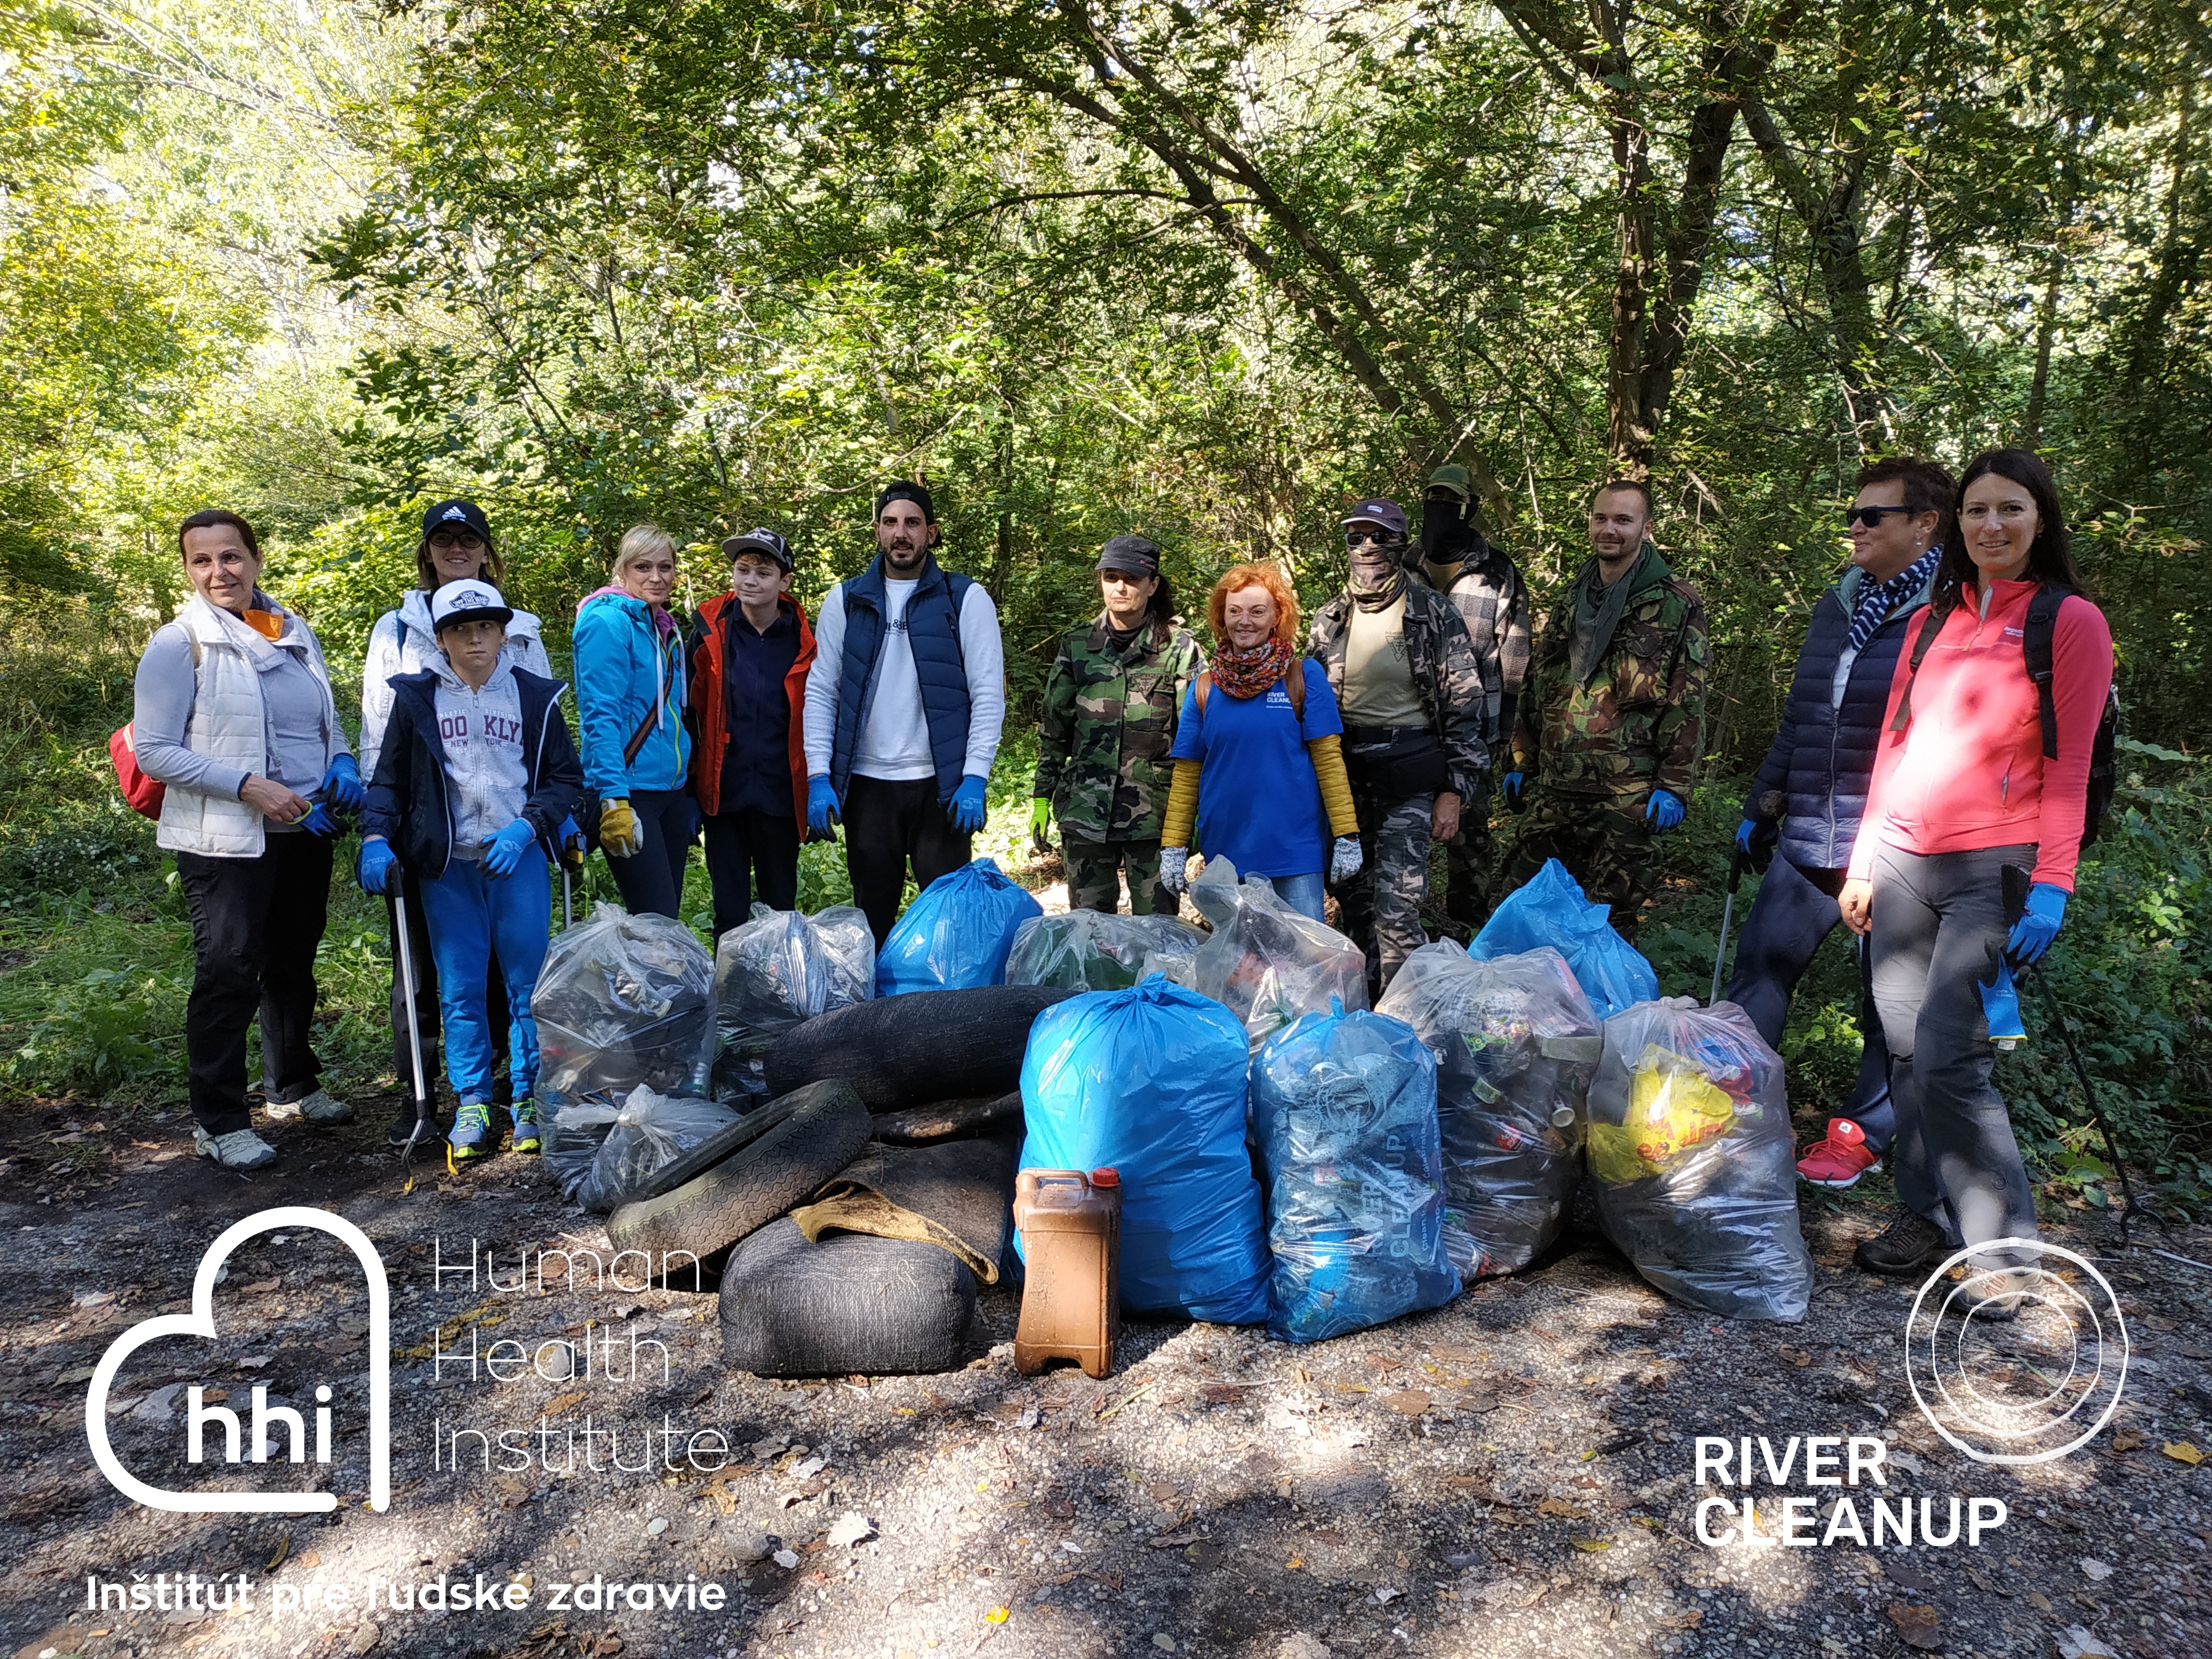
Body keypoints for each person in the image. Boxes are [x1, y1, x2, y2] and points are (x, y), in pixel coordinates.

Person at [1840, 450, 2114, 1286]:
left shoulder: (2069, 622)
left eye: (2011, 510)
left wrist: (2054, 884)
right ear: (1955, 524)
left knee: (1953, 1057)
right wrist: (1862, 861)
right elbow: (1895, 744)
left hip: (1993, 867)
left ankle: (2002, 1256)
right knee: (1906, 1055)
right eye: (1977, 511)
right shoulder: (1934, 619)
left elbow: (2070, 765)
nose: (1992, 526)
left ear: (2042, 520)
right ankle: (1925, 1218)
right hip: (1902, 862)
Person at [1726, 458, 1949, 1189]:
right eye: (1852, 513)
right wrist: (1763, 805)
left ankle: (1863, 1132)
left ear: (1925, 526)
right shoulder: (1840, 603)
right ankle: (1731, 1107)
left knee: (1889, 1000)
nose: (1854, 527)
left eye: (1872, 516)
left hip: (1896, 848)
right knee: (1760, 970)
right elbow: (1803, 717)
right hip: (1811, 834)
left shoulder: (1950, 615)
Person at [131, 509, 358, 1169]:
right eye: (201, 561)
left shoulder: (291, 629)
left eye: (230, 557)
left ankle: (291, 1086)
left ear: (256, 559)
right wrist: (248, 786)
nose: (218, 572)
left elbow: (324, 721)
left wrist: (340, 761)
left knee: (292, 961)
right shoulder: (179, 644)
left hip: (303, 827)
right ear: (188, 570)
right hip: (223, 839)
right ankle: (219, 1119)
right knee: (229, 970)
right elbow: (155, 752)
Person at [357, 580, 584, 1159]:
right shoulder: (417, 699)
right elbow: (390, 780)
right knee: (459, 992)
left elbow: (564, 780)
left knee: (528, 989)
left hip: (519, 862)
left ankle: (530, 1097)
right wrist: (377, 836)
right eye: (460, 629)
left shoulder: (534, 696)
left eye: (485, 626)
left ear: (504, 633)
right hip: (448, 868)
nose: (475, 638)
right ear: (441, 638)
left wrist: (528, 827)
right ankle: (473, 1099)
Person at [1502, 479, 1709, 938]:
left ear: (1646, 528)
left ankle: (1607, 1012)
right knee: (1525, 913)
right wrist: (1521, 758)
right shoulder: (1574, 595)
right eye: (1601, 518)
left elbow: (1687, 698)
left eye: (1623, 520)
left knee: (1606, 928)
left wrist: (1674, 786)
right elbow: (1538, 681)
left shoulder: (1675, 602)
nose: (1609, 529)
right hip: (1556, 788)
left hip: (1625, 797)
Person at [802, 482, 1006, 945]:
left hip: (941, 787)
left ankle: (947, 1015)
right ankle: (875, 1014)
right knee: (872, 917)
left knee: (949, 923)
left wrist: (975, 776)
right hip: (868, 788)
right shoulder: (846, 601)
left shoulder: (965, 599)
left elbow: (988, 694)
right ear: (877, 531)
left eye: (912, 523)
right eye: (891, 523)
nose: (901, 533)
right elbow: (822, 692)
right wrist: (819, 776)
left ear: (931, 534)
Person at [1308, 497, 1489, 992]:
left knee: (1397, 911)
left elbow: (1466, 707)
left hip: (1410, 780)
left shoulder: (1433, 613)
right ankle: (1362, 1017)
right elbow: (1305, 707)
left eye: (1380, 537)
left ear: (1400, 544)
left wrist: (1455, 791)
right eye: (1357, 537)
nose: (1368, 548)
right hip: (1345, 787)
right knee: (1355, 901)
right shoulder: (1329, 619)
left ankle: (1405, 1027)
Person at [1159, 562, 1361, 921]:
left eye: (1257, 611)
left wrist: (1347, 835)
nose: (1244, 621)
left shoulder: (1303, 676)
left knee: (1301, 965)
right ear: (1222, 617)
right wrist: (1173, 846)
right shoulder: (1204, 686)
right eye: (1234, 611)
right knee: (1240, 969)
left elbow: (1329, 761)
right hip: (1225, 857)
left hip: (1294, 853)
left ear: (1276, 616)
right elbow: (1188, 774)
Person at [1030, 534, 1206, 915]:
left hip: (1155, 817)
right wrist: (1042, 796)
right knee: (1089, 933)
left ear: (1152, 584)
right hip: (1085, 810)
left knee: (1158, 933)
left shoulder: (1179, 649)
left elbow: (1195, 739)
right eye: (1111, 577)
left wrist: (1194, 814)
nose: (1120, 587)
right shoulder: (1077, 645)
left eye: (1131, 578)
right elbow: (1055, 729)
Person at [1411, 464, 1531, 930]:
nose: (1441, 509)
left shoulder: (1496, 570)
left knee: (1470, 835)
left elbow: (1515, 655)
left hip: (1474, 728)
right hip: (1410, 728)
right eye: (1433, 500)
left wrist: (1506, 735)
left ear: (1469, 508)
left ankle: (1469, 930)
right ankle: (1407, 933)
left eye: (1451, 502)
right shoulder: (1403, 563)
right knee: (1407, 832)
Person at [687, 528, 817, 940]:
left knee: (781, 909)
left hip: (780, 795)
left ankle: (781, 995)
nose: (750, 581)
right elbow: (691, 711)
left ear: (785, 581)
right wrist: (692, 789)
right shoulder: (710, 633)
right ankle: (730, 998)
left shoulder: (804, 640)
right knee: (729, 912)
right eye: (742, 570)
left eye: (763, 572)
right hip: (725, 795)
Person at [575, 524, 695, 919]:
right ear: (622, 571)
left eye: (666, 567)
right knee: (655, 919)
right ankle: (641, 983)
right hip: (630, 790)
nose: (657, 578)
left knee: (664, 918)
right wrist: (614, 798)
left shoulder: (664, 626)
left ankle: (655, 983)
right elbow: (600, 715)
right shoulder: (607, 623)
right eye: (644, 567)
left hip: (670, 790)